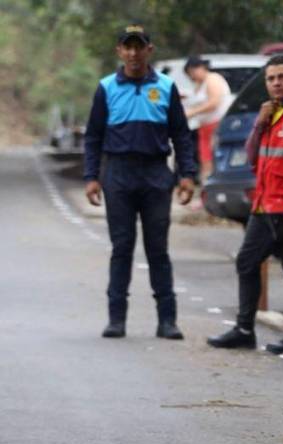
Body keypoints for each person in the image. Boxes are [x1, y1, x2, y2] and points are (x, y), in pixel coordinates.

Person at [207, 54, 283, 357]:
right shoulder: (271, 113)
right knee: (262, 264)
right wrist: (259, 123)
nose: (276, 83)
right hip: (265, 204)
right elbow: (252, 157)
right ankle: (252, 331)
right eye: (271, 78)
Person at [83, 24, 196, 340]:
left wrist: (187, 174)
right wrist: (91, 177)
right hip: (117, 174)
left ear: (149, 50)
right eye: (127, 47)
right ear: (119, 51)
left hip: (156, 174)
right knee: (122, 247)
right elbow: (93, 137)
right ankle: (116, 319)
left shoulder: (166, 86)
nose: (133, 53)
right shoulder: (106, 87)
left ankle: (167, 320)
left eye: (139, 46)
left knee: (157, 248)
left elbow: (181, 135)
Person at [183, 56, 231, 182]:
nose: (192, 77)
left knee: (214, 158)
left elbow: (214, 102)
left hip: (217, 125)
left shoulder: (212, 79)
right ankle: (207, 188)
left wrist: (192, 112)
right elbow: (198, 100)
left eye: (192, 73)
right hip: (204, 127)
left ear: (200, 68)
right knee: (205, 159)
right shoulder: (199, 84)